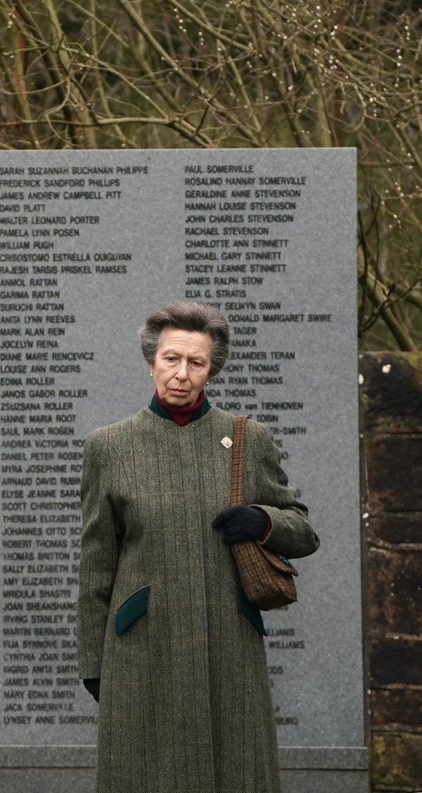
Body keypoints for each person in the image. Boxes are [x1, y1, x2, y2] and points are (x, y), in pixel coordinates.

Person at [75, 301, 319, 793]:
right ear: (152, 362)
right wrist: (93, 664)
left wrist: (263, 521)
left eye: (196, 362)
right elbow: (96, 563)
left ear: (212, 370)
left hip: (229, 640)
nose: (181, 374)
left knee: (237, 771)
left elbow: (304, 533)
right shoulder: (110, 447)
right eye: (171, 359)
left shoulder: (248, 439)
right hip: (142, 646)